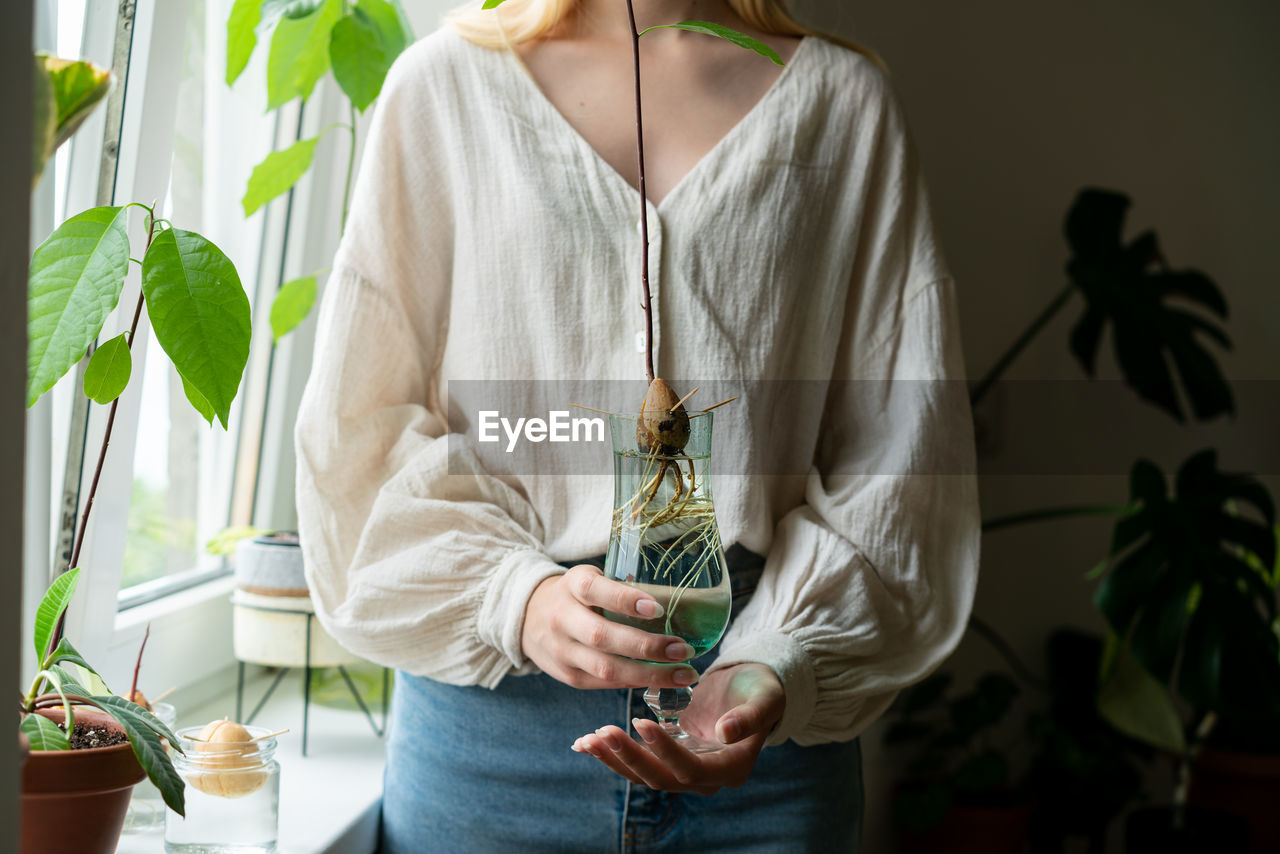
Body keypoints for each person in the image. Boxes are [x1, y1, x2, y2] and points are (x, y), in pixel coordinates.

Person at [293, 0, 980, 851]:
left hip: (761, 739)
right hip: (491, 737)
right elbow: (357, 432)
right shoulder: (444, 87)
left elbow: (899, 450)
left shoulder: (843, 105)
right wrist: (521, 598)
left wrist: (781, 661)